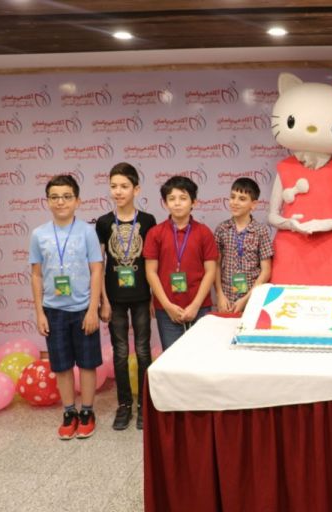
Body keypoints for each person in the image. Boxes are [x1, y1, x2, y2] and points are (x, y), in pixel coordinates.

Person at [29, 174, 103, 440]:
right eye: (55, 197)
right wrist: (40, 312)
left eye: (66, 196)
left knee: (87, 363)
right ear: (47, 201)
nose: (60, 202)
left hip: (83, 309)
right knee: (61, 365)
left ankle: (87, 412)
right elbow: (36, 275)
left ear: (77, 201)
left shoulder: (87, 231)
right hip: (53, 310)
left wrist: (93, 309)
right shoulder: (39, 234)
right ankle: (69, 411)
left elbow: (97, 270)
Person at [95, 162, 157, 431]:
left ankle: (144, 405)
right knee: (120, 352)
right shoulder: (103, 223)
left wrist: (154, 297)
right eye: (113, 186)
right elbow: (98, 264)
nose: (118, 191)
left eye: (124, 186)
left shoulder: (148, 221)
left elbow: (153, 263)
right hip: (114, 298)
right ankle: (124, 405)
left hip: (142, 295)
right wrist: (104, 301)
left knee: (143, 350)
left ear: (136, 189)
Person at [143, 176, 218, 350]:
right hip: (167, 308)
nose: (177, 203)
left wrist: (196, 305)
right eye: (171, 199)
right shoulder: (155, 233)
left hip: (199, 306)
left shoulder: (204, 232)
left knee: (200, 355)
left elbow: (210, 271)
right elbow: (151, 272)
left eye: (183, 198)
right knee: (172, 356)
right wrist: (167, 306)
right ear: (165, 203)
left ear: (194, 202)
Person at [214, 177, 273, 314]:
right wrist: (220, 295)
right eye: (232, 197)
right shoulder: (222, 229)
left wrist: (246, 299)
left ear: (253, 204)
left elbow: (266, 270)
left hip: (253, 300)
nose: (235, 202)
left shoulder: (260, 231)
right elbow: (216, 265)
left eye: (242, 199)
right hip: (226, 300)